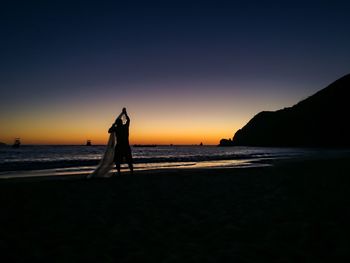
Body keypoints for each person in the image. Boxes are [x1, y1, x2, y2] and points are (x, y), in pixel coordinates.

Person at [108, 108, 133, 175]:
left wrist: (113, 125)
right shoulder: (125, 127)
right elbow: (128, 120)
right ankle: (131, 172)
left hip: (120, 146)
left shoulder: (117, 128)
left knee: (118, 160)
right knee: (128, 160)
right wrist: (125, 113)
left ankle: (119, 172)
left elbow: (109, 130)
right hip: (125, 145)